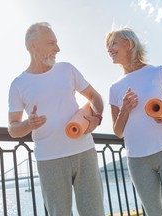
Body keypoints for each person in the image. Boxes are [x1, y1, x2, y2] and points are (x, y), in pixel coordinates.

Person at [8, 22, 105, 216]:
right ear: (33, 45)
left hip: (84, 151)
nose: (58, 48)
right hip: (49, 160)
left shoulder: (67, 69)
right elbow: (13, 128)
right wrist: (28, 124)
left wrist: (96, 117)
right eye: (51, 43)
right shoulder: (18, 85)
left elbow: (95, 97)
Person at [105, 27, 162, 216]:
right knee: (153, 212)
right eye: (108, 46)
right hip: (137, 160)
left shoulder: (158, 72)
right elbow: (118, 131)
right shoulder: (114, 88)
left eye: (113, 44)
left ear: (129, 44)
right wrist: (124, 110)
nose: (109, 49)